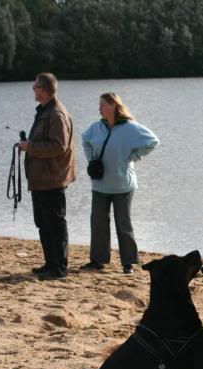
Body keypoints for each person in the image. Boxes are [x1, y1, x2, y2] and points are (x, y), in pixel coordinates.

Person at [81, 93, 159, 274]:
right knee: (98, 223)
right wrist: (91, 159)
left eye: (102, 105)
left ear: (113, 105)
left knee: (123, 224)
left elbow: (153, 141)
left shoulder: (130, 128)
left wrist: (134, 157)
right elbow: (85, 141)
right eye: (99, 105)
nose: (99, 109)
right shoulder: (95, 128)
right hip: (100, 184)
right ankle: (97, 260)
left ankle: (128, 263)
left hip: (123, 185)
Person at [19, 72, 75, 280]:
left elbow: (58, 146)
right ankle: (50, 263)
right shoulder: (46, 111)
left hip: (52, 179)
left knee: (55, 223)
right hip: (42, 179)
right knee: (43, 222)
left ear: (43, 89)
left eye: (35, 87)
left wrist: (30, 147)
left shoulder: (56, 114)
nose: (33, 90)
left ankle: (59, 267)